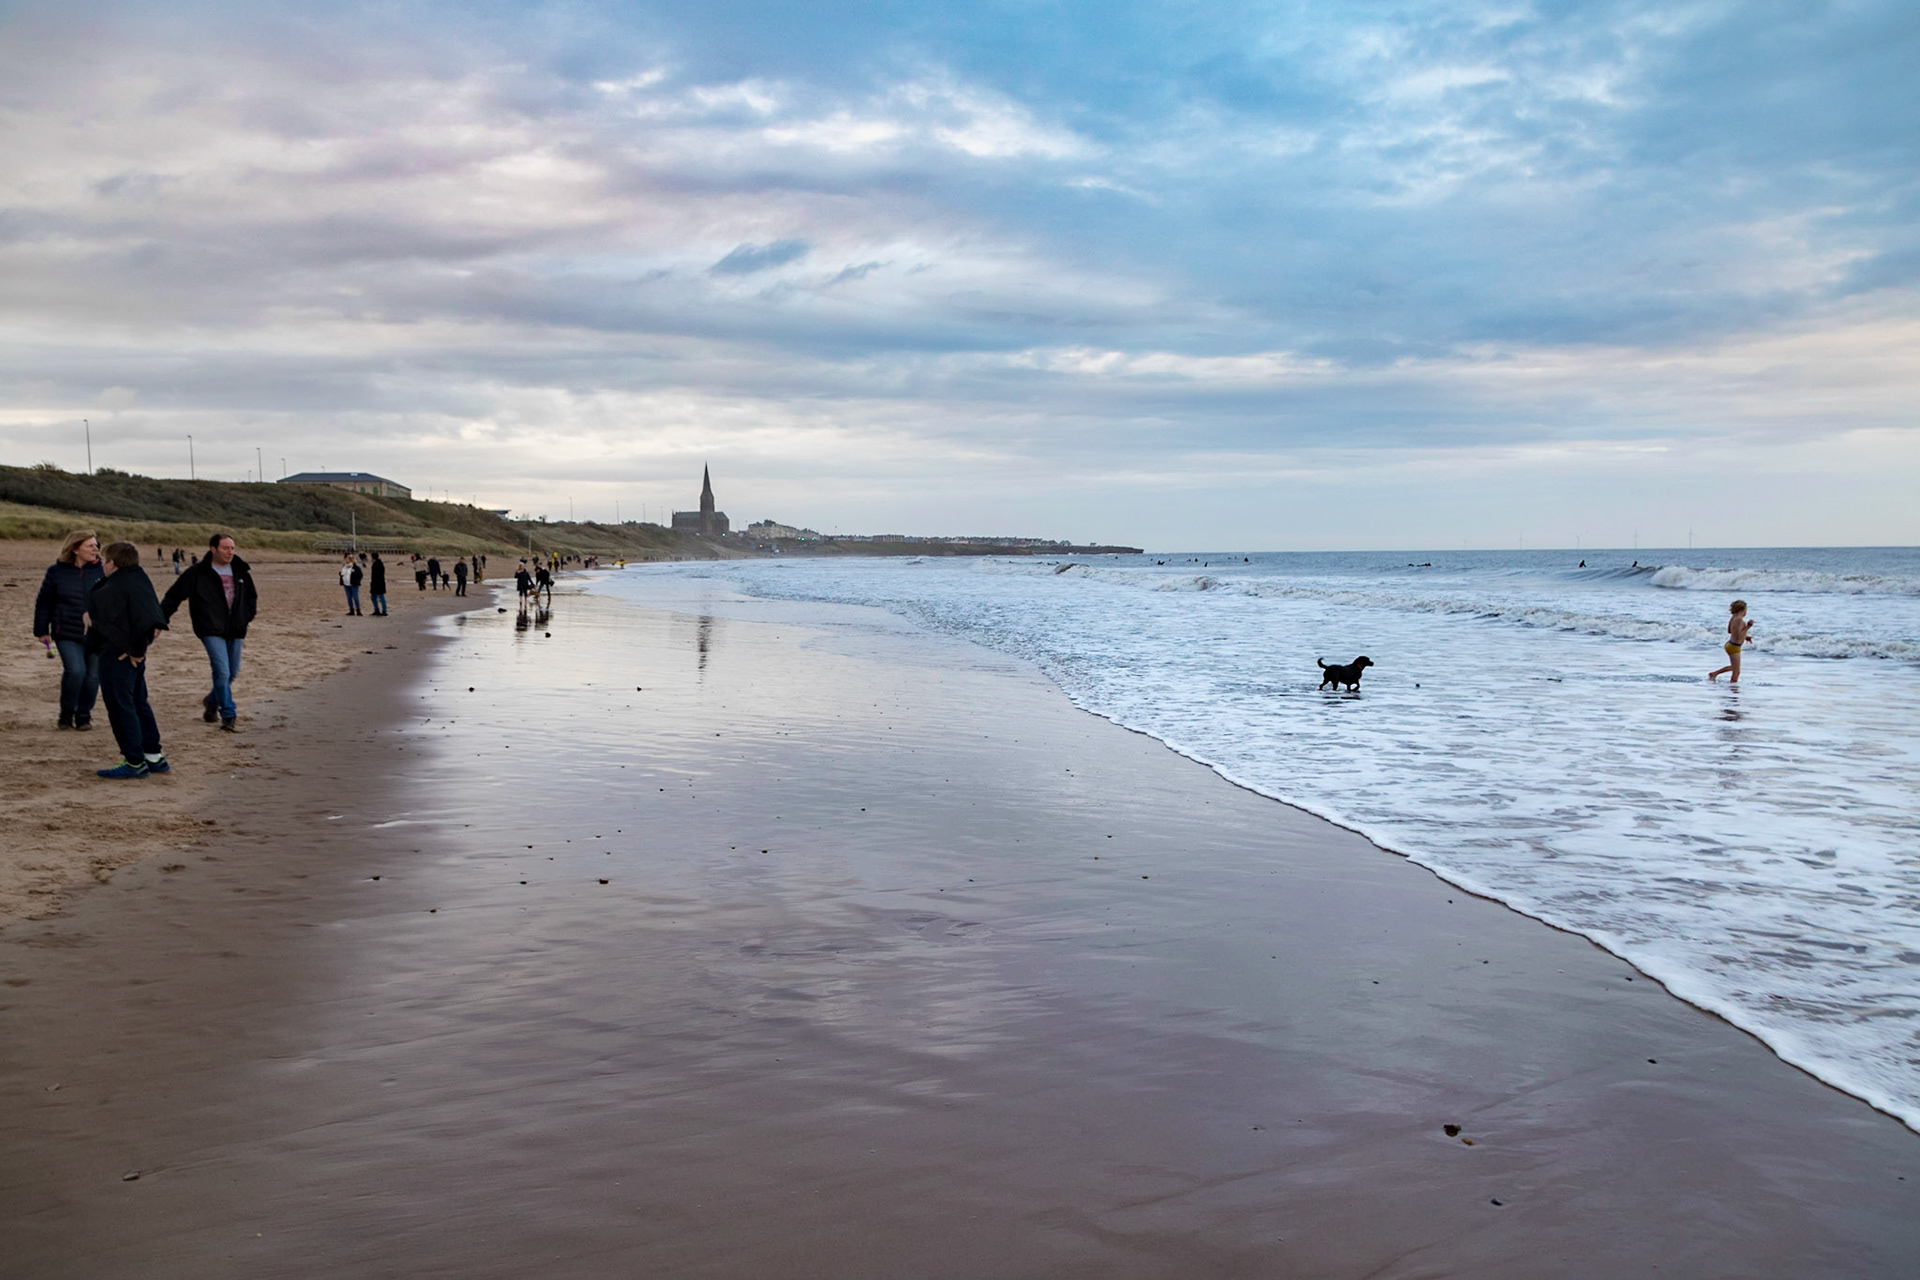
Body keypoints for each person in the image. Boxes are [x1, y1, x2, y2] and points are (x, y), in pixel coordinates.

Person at [87, 542, 169, 779]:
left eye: (104, 561)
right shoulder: (139, 579)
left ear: (112, 563)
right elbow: (152, 617)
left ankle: (134, 761)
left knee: (121, 705)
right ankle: (153, 756)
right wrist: (140, 649)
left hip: (118, 654)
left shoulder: (118, 585)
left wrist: (136, 649)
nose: (102, 565)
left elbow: (139, 619)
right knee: (137, 701)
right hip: (131, 652)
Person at [161, 532, 257, 732]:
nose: (230, 552)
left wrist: (246, 617)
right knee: (221, 671)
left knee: (232, 673)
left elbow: (251, 597)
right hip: (210, 629)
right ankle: (229, 714)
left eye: (232, 548)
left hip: (236, 629)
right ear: (213, 549)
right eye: (225, 548)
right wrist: (159, 620)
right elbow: (174, 596)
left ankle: (212, 702)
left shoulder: (240, 571)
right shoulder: (197, 572)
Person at [32, 530, 105, 730]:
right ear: (75, 549)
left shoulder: (103, 571)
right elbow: (44, 602)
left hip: (98, 633)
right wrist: (41, 629)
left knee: (93, 676)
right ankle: (66, 713)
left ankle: (83, 715)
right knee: (76, 671)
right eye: (90, 545)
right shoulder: (56, 571)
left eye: (96, 545)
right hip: (66, 631)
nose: (95, 548)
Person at [1708, 599, 1754, 683]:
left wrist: (1746, 637)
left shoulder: (1733, 618)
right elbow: (1738, 635)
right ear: (1742, 610)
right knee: (1736, 672)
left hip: (1730, 644)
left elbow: (1730, 631)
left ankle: (1714, 673)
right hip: (1734, 647)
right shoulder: (1740, 620)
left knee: (1734, 667)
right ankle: (1733, 689)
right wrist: (1748, 626)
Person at [369, 552, 388, 616]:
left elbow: (376, 576)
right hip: (377, 583)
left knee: (381, 597)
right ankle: (377, 610)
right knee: (373, 597)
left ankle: (384, 611)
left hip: (378, 584)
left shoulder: (377, 564)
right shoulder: (378, 563)